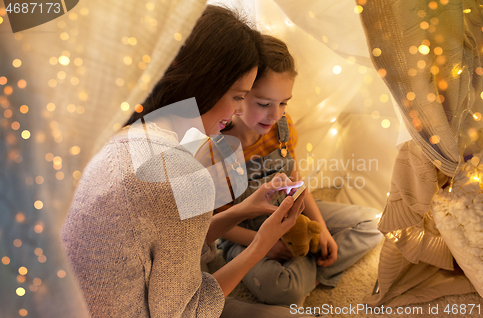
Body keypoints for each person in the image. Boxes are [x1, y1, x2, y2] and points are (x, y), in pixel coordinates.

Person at [61, 6, 307, 318]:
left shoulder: (128, 133)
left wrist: (244, 210)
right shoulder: (180, 171)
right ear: (208, 83)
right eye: (237, 96)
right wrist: (260, 245)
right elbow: (187, 311)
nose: (237, 111)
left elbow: (169, 242)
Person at [196, 35, 383, 306]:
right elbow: (217, 225)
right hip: (243, 234)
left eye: (283, 102)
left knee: (374, 223)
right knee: (281, 289)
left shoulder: (283, 127)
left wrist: (322, 232)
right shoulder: (214, 148)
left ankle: (306, 262)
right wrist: (266, 243)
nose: (275, 114)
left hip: (292, 213)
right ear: (240, 95)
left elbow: (296, 182)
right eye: (264, 104)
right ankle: (306, 271)